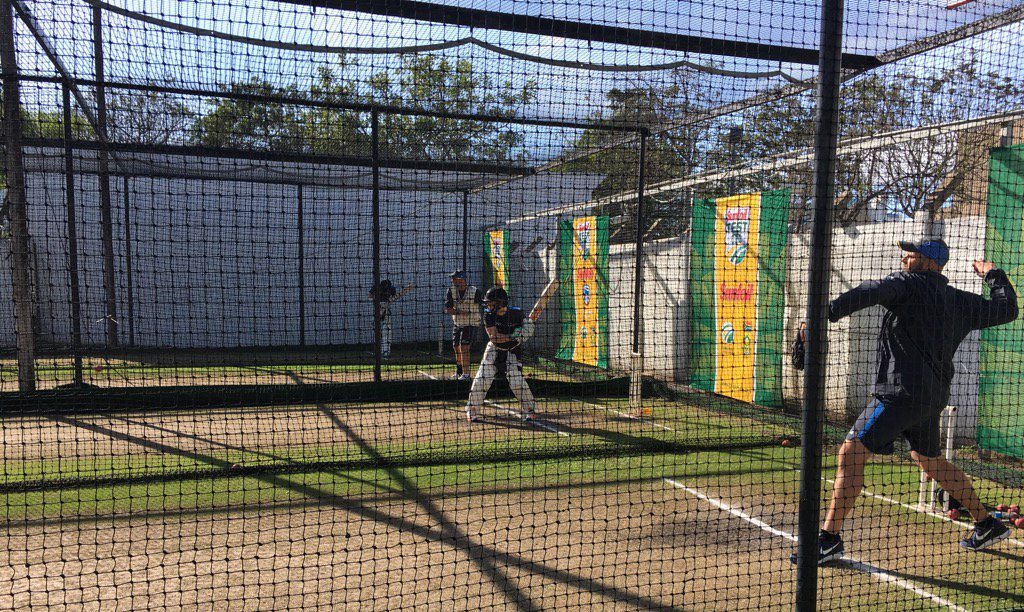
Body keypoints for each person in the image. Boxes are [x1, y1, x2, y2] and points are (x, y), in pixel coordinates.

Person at [797, 238, 1018, 565]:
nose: (904, 257)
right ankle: (987, 524)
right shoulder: (959, 300)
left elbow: (868, 291)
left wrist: (822, 316)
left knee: (851, 453)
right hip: (931, 398)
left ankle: (828, 540)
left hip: (899, 394)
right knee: (930, 461)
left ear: (929, 262)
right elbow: (1007, 309)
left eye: (911, 253)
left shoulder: (908, 284)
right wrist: (993, 274)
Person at [465, 286, 538, 423]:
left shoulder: (517, 314)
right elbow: (495, 337)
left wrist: (526, 332)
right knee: (482, 379)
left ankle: (530, 409)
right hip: (494, 349)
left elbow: (526, 330)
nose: (488, 305)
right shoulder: (488, 314)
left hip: (513, 351)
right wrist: (515, 336)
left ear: (500, 303)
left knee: (516, 379)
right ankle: (472, 410)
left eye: (491, 303)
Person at [444, 270, 484, 380]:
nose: (453, 281)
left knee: (464, 347)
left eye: (455, 279)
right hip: (458, 322)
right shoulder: (451, 291)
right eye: (453, 279)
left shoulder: (475, 291)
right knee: (456, 347)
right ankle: (459, 371)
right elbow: (449, 309)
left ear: (462, 279)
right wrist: (460, 312)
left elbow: (484, 304)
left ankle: (466, 374)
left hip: (472, 323)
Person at [368, 279, 414, 359]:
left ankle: (385, 351)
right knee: (378, 331)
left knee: (387, 331)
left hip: (386, 309)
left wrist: (385, 305)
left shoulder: (391, 289)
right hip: (377, 310)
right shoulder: (376, 287)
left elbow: (395, 297)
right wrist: (377, 304)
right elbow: (370, 296)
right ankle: (379, 350)